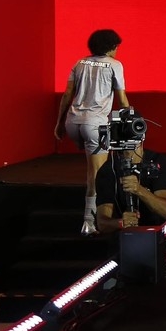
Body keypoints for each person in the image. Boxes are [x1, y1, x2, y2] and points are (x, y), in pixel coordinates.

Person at [54, 29, 130, 235]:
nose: (117, 51)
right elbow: (122, 100)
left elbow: (67, 94)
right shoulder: (115, 65)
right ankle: (89, 222)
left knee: (92, 168)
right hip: (94, 125)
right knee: (97, 175)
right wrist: (131, 118)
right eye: (116, 47)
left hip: (73, 123)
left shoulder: (79, 63)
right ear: (111, 46)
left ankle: (95, 217)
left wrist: (59, 123)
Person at [95, 144, 166, 233]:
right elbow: (101, 223)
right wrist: (121, 223)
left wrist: (139, 190)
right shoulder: (109, 169)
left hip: (156, 234)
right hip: (124, 236)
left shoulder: (157, 162)